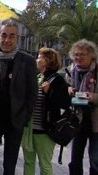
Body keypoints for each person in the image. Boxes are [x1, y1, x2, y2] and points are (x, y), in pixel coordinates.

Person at [0, 19, 38, 175]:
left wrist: (24, 118)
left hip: (15, 121)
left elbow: (32, 93)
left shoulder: (27, 61)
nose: (7, 40)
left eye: (11, 36)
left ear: (17, 38)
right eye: (4, 35)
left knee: (9, 163)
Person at [22, 47, 71, 175]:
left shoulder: (57, 80)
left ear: (48, 60)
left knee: (45, 164)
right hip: (29, 130)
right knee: (28, 162)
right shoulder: (37, 77)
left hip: (45, 132)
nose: (36, 59)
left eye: (39, 57)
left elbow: (65, 104)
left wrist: (50, 92)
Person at [65, 39, 98, 175]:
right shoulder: (71, 70)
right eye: (76, 54)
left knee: (95, 159)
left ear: (92, 55)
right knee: (75, 159)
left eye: (82, 54)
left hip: (95, 122)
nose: (78, 57)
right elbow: (67, 87)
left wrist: (94, 97)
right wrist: (69, 90)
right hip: (78, 120)